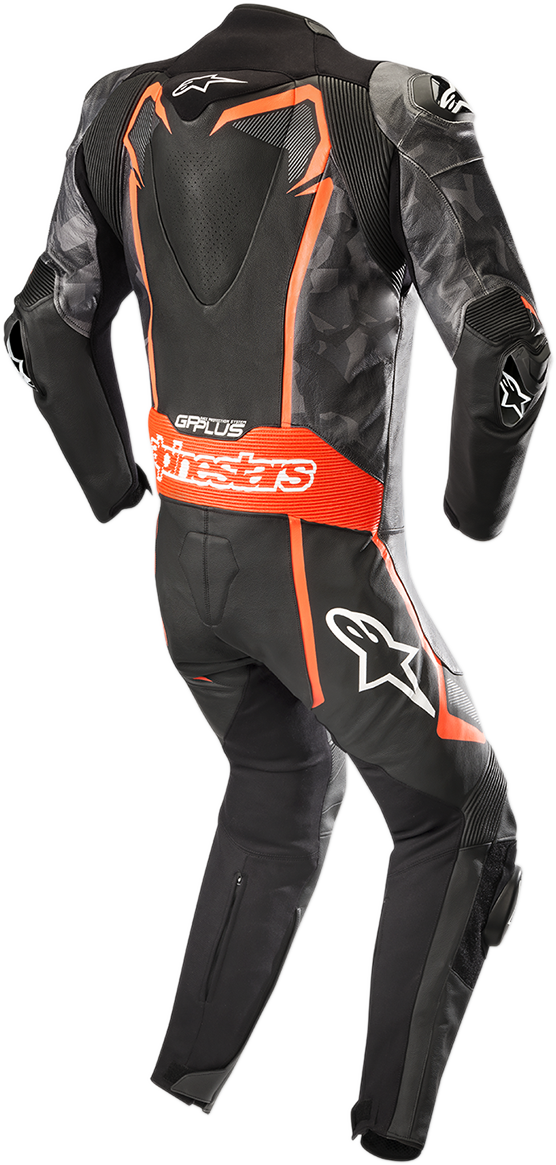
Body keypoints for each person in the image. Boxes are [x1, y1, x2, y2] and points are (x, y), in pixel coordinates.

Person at [4, 6, 551, 1160]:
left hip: (185, 570)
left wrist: (112, 483)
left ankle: (177, 1093)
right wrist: (478, 512)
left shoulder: (120, 108)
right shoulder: (391, 107)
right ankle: (390, 1133)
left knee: (279, 786)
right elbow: (508, 347)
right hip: (322, 573)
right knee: (464, 823)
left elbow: (44, 321)